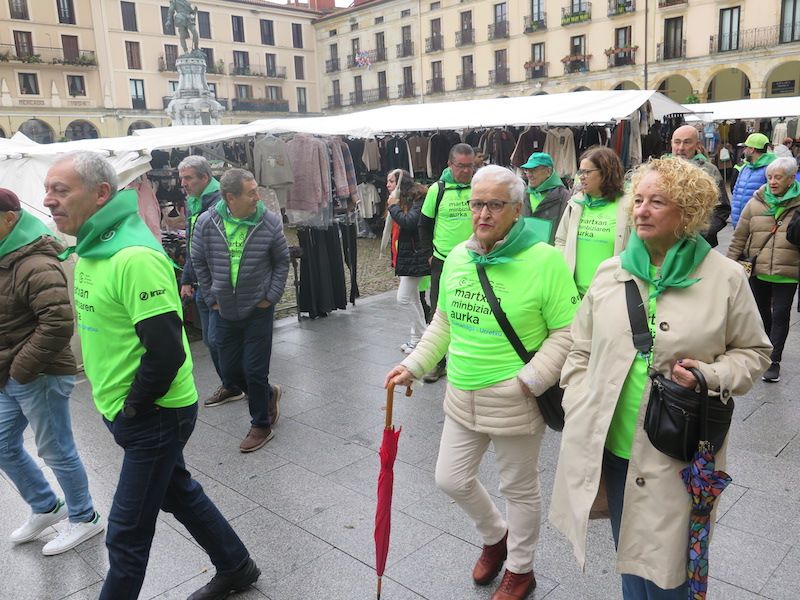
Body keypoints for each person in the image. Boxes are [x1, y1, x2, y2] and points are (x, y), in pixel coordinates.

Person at [550, 157, 772, 600]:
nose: (642, 210)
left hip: (680, 452)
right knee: (630, 556)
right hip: (613, 447)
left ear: (687, 213)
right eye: (638, 200)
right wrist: (577, 397)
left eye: (658, 202)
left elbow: (755, 353)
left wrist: (709, 375)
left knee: (673, 571)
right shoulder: (610, 272)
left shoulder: (725, 278)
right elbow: (580, 347)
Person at [43, 152, 260, 600]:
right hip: (128, 410)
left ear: (101, 193)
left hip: (155, 413)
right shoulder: (91, 248)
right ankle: (237, 566)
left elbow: (165, 352)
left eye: (61, 190)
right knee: (178, 491)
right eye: (48, 190)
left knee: (126, 531)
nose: (49, 201)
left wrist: (134, 406)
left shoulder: (134, 256)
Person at [385, 165, 579, 600]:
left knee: (519, 489)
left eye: (495, 204)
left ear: (516, 209)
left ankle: (521, 569)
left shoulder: (544, 259)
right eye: (477, 203)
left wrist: (530, 381)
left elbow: (568, 331)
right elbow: (445, 322)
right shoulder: (457, 256)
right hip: (461, 394)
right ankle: (495, 535)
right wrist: (414, 365)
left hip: (516, 398)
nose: (483, 213)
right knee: (450, 479)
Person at [0, 188, 104, 556]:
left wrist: (22, 370)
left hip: (38, 373)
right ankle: (46, 507)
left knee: (56, 449)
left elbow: (58, 323)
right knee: (3, 443)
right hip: (12, 373)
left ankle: (85, 517)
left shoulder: (34, 262)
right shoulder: (6, 256)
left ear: (10, 219)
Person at [191, 168, 289, 452]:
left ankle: (261, 425)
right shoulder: (207, 223)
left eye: (256, 190)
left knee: (254, 370)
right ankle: (268, 394)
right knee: (231, 372)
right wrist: (211, 297)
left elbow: (282, 261)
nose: (257, 197)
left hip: (258, 309)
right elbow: (199, 261)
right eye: (251, 193)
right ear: (230, 197)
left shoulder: (268, 222)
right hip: (223, 310)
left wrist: (270, 297)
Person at [178, 156, 244, 408]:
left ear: (205, 178)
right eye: (182, 178)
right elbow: (193, 244)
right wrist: (187, 279)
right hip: (203, 283)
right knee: (211, 340)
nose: (183, 183)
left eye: (188, 178)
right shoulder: (194, 201)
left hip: (220, 283)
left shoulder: (220, 201)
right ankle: (232, 385)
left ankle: (254, 387)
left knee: (220, 340)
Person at [727, 157, 800, 383]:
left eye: (778, 177)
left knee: (780, 314)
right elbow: (739, 236)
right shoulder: (756, 202)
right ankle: (765, 349)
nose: (773, 181)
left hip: (788, 271)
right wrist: (729, 265)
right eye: (770, 177)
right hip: (758, 268)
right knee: (760, 314)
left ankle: (774, 360)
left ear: (790, 179)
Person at [418, 143, 476, 382]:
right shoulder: (437, 189)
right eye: (461, 166)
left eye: (470, 166)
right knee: (437, 312)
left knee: (474, 312)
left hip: (475, 260)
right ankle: (437, 362)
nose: (466, 171)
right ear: (450, 165)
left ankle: (471, 361)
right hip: (442, 261)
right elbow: (424, 224)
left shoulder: (479, 186)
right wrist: (429, 254)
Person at [555, 146, 630, 297]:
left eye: (587, 172)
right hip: (575, 294)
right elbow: (561, 240)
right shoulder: (575, 204)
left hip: (611, 293)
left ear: (606, 173)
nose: (581, 177)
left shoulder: (628, 206)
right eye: (580, 172)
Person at [386, 169, 430, 354]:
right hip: (409, 256)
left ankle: (425, 337)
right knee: (413, 298)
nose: (387, 185)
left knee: (403, 299)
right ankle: (417, 340)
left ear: (400, 183)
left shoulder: (416, 199)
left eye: (391, 181)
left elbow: (409, 222)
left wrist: (393, 207)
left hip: (416, 256)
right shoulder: (405, 200)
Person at [670, 124, 731, 247]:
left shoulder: (709, 171)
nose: (681, 148)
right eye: (677, 142)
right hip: (668, 241)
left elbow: (722, 209)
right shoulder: (661, 170)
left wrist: (703, 232)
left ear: (697, 145)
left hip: (700, 243)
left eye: (687, 142)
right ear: (671, 143)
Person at [519, 152, 570, 245]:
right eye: (527, 170)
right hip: (524, 250)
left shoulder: (563, 196)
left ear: (548, 172)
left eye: (534, 170)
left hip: (549, 253)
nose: (529, 175)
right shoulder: (524, 193)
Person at [731, 133, 777, 227]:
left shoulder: (770, 170)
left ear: (752, 150)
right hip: (739, 223)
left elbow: (773, 198)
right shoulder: (745, 168)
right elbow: (735, 191)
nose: (744, 151)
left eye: (746, 148)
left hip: (758, 225)